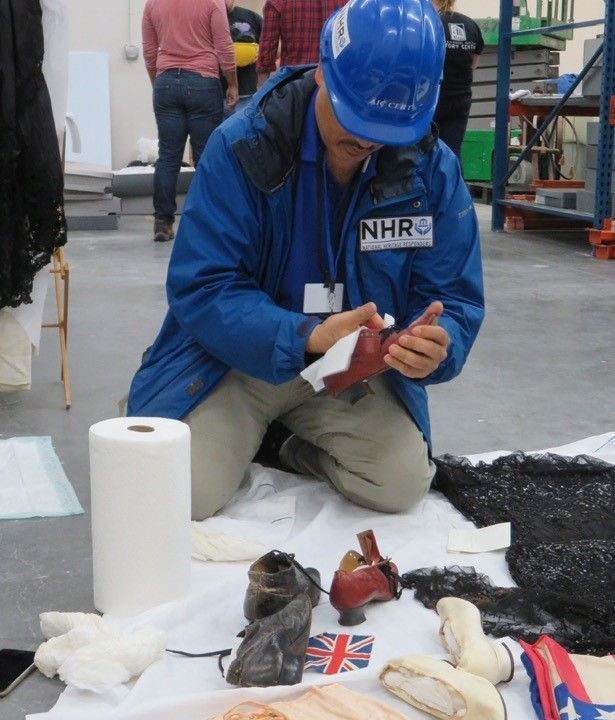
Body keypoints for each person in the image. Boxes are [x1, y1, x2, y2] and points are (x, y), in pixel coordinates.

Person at [128, 0, 485, 521]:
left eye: (387, 129)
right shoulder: (242, 147)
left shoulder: (431, 170)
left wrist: (438, 345)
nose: (366, 141)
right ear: (322, 71)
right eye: (354, 117)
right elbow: (203, 287)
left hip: (348, 371)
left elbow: (452, 295)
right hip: (241, 360)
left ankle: (287, 448)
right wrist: (308, 337)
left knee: (401, 483)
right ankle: (213, 420)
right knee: (182, 493)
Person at [142, 0, 238, 243]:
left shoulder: (152, 4)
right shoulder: (213, 2)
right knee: (206, 156)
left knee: (168, 156)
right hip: (203, 83)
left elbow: (149, 52)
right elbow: (224, 46)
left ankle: (163, 222)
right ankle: (207, 221)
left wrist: (158, 82)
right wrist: (233, 83)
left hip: (165, 82)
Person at [432, 0, 484, 159]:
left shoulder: (429, 22)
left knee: (419, 151)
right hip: (461, 100)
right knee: (452, 153)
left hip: (432, 99)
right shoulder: (471, 25)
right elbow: (474, 64)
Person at [256, 0, 346, 87]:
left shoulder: (278, 2)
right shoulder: (350, 3)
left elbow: (267, 51)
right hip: (337, 84)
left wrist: (262, 89)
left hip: (294, 85)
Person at [223, 0, 262, 114]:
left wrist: (261, 52)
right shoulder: (206, 17)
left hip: (248, 94)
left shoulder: (251, 16)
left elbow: (275, 47)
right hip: (215, 94)